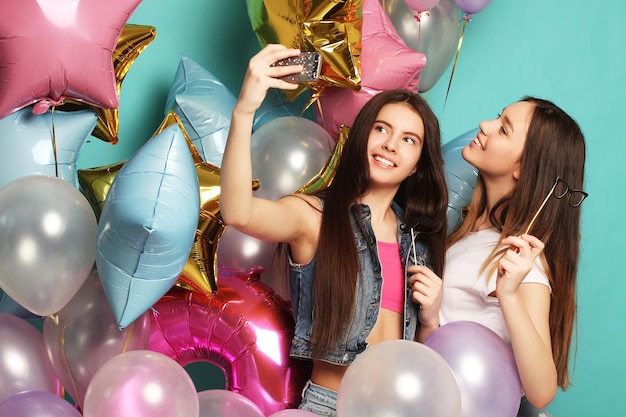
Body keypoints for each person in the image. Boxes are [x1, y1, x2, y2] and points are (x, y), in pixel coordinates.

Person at [220, 44, 448, 416]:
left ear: (416, 166)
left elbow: (421, 364)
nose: (390, 144)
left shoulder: (415, 243)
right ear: (361, 139)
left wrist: (431, 318)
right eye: (381, 129)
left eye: (409, 139)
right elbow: (238, 212)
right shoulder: (314, 218)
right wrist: (245, 109)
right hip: (330, 406)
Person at [413, 97, 587, 416]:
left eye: (504, 129)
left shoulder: (521, 260)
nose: (485, 126)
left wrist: (508, 295)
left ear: (523, 167)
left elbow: (541, 391)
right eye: (497, 117)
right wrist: (430, 320)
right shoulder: (470, 234)